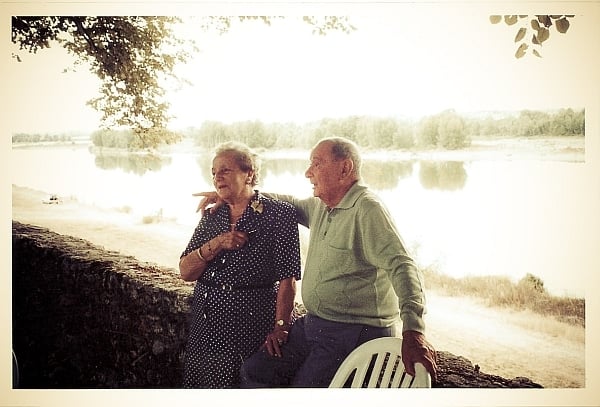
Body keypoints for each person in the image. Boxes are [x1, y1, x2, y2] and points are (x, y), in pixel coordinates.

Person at [196, 137, 437, 387]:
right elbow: (282, 203)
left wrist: (414, 330)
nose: (307, 172)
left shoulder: (367, 209)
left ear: (345, 168)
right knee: (256, 372)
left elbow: (403, 266)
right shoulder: (322, 205)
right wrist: (232, 192)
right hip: (314, 324)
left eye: (316, 164)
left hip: (353, 331)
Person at [179, 141, 301, 388]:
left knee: (240, 388)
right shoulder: (213, 216)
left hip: (251, 322)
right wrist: (216, 243)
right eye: (214, 172)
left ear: (249, 174)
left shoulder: (279, 214)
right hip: (207, 321)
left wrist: (281, 328)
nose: (217, 177)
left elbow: (288, 280)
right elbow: (185, 271)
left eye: (225, 170)